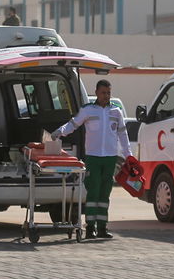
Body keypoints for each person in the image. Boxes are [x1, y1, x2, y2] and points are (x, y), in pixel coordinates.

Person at [53, 78, 130, 240]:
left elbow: (123, 134)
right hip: (93, 158)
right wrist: (59, 132)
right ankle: (90, 228)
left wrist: (128, 156)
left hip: (110, 158)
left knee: (105, 193)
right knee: (93, 192)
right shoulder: (88, 110)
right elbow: (73, 125)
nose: (106, 96)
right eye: (103, 93)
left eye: (108, 93)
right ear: (96, 93)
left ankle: (102, 227)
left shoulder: (116, 112)